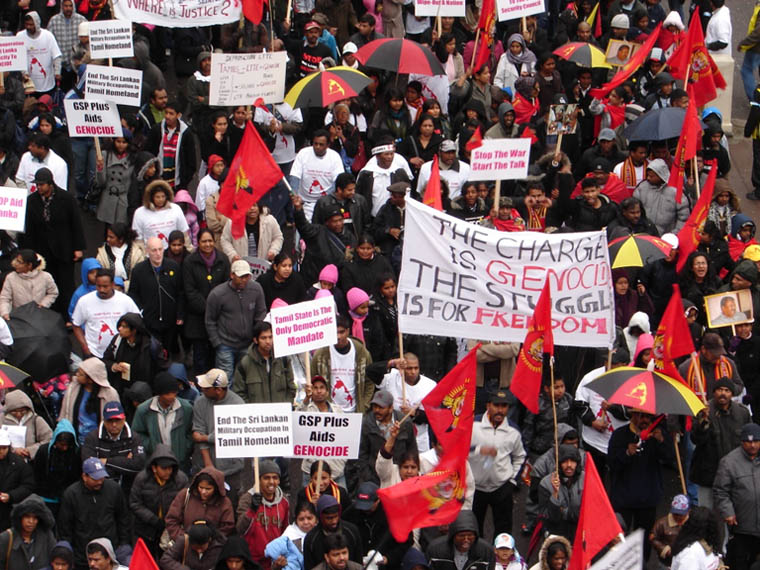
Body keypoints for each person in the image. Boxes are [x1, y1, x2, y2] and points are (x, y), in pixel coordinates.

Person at [18, 167, 85, 317]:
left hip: (63, 248)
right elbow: (28, 229)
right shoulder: (32, 201)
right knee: (45, 284)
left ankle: (68, 315)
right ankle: (49, 315)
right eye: (37, 184)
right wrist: (28, 253)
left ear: (50, 184)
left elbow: (76, 223)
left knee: (65, 284)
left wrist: (78, 248)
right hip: (42, 250)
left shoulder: (67, 199)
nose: (38, 187)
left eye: (42, 184)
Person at [608, 409, 673, 558]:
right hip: (623, 498)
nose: (646, 420)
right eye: (642, 416)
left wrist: (662, 441)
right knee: (619, 539)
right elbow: (612, 464)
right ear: (633, 416)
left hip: (647, 498)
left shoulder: (658, 435)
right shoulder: (619, 435)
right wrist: (626, 454)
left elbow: (670, 460)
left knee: (644, 542)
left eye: (649, 417)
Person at [57, 458, 132, 570]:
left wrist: (124, 543)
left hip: (110, 554)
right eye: (95, 478)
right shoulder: (71, 494)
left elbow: (123, 518)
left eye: (102, 477)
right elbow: (65, 528)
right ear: (84, 476)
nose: (99, 481)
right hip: (82, 557)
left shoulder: (114, 489)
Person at [469, 390, 526, 538]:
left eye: (504, 406)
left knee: (503, 531)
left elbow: (520, 456)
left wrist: (512, 481)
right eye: (496, 405)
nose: (500, 410)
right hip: (475, 487)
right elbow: (459, 450)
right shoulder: (472, 424)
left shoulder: (513, 431)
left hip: (501, 488)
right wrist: (479, 450)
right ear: (488, 405)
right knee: (473, 529)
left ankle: (501, 559)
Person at [205, 260, 268, 378]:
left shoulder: (256, 289)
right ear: (232, 275)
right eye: (241, 276)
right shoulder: (217, 294)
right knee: (225, 379)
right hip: (225, 345)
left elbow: (261, 313)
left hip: (247, 344)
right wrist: (217, 342)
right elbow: (210, 321)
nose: (244, 280)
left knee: (244, 378)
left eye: (247, 276)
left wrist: (256, 334)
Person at [191, 369, 245, 504]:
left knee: (231, 504)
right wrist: (208, 465)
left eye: (206, 388)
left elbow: (231, 434)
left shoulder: (238, 405)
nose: (202, 389)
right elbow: (198, 431)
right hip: (204, 466)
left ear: (218, 390)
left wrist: (206, 438)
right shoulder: (199, 402)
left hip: (231, 468)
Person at [183, 228, 230, 375]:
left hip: (219, 319)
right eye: (204, 241)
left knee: (216, 357)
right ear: (198, 243)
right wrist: (208, 309)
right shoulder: (189, 262)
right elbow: (190, 291)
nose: (207, 244)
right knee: (200, 358)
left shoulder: (223, 259)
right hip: (198, 319)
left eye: (210, 241)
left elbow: (227, 286)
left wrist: (217, 309)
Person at [713, 422, 760, 570]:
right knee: (740, 562)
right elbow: (720, 491)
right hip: (742, 526)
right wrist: (728, 512)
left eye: (756, 441)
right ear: (742, 442)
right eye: (748, 442)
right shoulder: (729, 462)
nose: (752, 445)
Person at [128, 445, 189, 558]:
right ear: (154, 468)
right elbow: (135, 503)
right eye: (164, 468)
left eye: (170, 468)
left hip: (170, 530)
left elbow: (186, 504)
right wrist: (153, 520)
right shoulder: (142, 479)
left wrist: (172, 521)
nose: (168, 471)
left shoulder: (181, 480)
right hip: (146, 529)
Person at [128, 236, 184, 350]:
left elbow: (180, 292)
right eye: (154, 250)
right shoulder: (139, 270)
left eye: (160, 249)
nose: (158, 253)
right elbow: (133, 294)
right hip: (149, 321)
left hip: (170, 320)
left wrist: (180, 314)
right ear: (147, 251)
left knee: (169, 351)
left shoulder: (173, 266)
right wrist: (142, 311)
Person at [131, 372, 194, 472]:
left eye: (174, 393)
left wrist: (184, 447)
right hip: (154, 463)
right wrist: (151, 445)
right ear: (159, 394)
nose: (171, 396)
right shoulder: (144, 410)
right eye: (167, 394)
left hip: (180, 463)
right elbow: (137, 434)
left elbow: (191, 432)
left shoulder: (186, 408)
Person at [71, 269, 140, 359]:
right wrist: (85, 347)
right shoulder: (84, 301)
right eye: (98, 286)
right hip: (93, 353)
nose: (101, 290)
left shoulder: (125, 300)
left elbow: (138, 322)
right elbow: (76, 325)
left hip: (119, 353)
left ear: (112, 284)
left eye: (105, 286)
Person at [81, 401, 146, 493]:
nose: (114, 424)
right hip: (100, 491)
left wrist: (106, 461)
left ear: (124, 419)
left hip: (128, 491)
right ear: (104, 420)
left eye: (117, 420)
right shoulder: (92, 438)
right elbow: (90, 468)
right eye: (110, 421)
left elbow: (139, 466)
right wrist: (124, 463)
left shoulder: (134, 438)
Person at [357, 390, 417, 488]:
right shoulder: (366, 424)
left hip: (400, 478)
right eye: (374, 406)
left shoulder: (405, 422)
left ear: (390, 408)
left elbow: (412, 449)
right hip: (375, 479)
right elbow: (362, 455)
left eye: (381, 407)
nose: (377, 410)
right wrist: (370, 480)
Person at [236, 460, 290, 569]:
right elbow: (240, 529)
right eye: (266, 478)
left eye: (275, 478)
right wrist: (252, 510)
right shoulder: (247, 499)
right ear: (259, 479)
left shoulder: (284, 500)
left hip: (275, 560)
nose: (271, 482)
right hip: (253, 560)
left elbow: (285, 530)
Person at [379, 353, 436, 452]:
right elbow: (370, 371)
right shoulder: (392, 378)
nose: (413, 372)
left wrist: (414, 413)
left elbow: (434, 417)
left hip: (419, 441)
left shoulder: (430, 386)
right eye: (409, 368)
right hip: (394, 438)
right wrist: (392, 363)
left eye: (416, 368)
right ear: (402, 368)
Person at [102, 312, 168, 395]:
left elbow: (161, 368)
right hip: (122, 388)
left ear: (134, 330)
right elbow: (105, 360)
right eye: (120, 326)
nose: (120, 329)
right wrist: (114, 366)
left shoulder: (151, 345)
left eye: (124, 327)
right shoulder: (117, 341)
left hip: (143, 390)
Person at [59, 358, 120, 445]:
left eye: (81, 374)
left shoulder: (110, 394)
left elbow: (116, 421)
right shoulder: (73, 388)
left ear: (91, 379)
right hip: (76, 441)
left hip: (98, 443)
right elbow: (64, 413)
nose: (76, 375)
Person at [233, 321, 295, 405]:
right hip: (257, 416)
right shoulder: (245, 364)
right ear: (255, 340)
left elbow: (291, 388)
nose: (268, 341)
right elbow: (239, 393)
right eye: (263, 338)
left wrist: (286, 406)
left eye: (270, 337)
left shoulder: (284, 360)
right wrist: (250, 411)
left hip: (281, 415)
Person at [165, 466, 235, 540]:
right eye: (201, 487)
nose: (203, 492)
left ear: (216, 488)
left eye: (208, 489)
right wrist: (184, 539)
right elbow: (171, 520)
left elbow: (227, 526)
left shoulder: (224, 503)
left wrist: (210, 541)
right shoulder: (185, 495)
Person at [289, 130, 345, 219]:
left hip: (326, 203)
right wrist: (294, 194)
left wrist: (325, 199)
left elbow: (338, 181)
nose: (317, 147)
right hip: (305, 203)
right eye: (315, 144)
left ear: (327, 145)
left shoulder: (334, 157)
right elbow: (295, 176)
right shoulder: (303, 153)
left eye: (321, 144)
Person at [144, 101, 197, 191]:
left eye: (171, 114)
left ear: (178, 115)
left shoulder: (186, 133)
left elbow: (191, 160)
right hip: (157, 180)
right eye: (166, 113)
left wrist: (184, 181)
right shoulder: (156, 130)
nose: (167, 116)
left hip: (177, 184)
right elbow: (148, 152)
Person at [33, 420, 80, 515]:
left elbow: (77, 476)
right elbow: (37, 475)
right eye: (62, 445)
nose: (65, 448)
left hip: (68, 498)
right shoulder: (44, 451)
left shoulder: (76, 453)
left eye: (68, 445)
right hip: (46, 497)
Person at [302, 495, 363, 569]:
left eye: (336, 516)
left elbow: (358, 561)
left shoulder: (352, 531)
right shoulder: (311, 539)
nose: (334, 521)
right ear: (320, 517)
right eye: (329, 518)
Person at [538, 444, 583, 541]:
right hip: (557, 535)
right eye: (565, 461)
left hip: (580, 533)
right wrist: (555, 493)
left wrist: (564, 511)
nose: (569, 465)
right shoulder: (545, 483)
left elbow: (587, 512)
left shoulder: (586, 479)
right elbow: (550, 517)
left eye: (573, 461)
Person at [0, 493, 57, 569]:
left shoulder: (47, 536)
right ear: (20, 517)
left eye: (35, 518)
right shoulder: (6, 538)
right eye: (27, 516)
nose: (31, 521)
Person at [633, 158, 689, 235]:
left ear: (661, 175)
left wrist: (674, 234)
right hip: (645, 235)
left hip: (667, 237)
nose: (648, 178)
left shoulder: (676, 191)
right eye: (648, 175)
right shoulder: (641, 188)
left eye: (652, 176)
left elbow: (683, 217)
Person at [131, 180, 190, 249]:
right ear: (151, 197)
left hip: (173, 252)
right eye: (157, 197)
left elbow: (184, 233)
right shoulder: (140, 213)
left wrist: (188, 249)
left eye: (163, 196)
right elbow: (138, 240)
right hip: (150, 254)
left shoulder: (175, 209)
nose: (160, 199)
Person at [425, 510, 495, 569]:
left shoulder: (486, 551)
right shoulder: (435, 550)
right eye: (461, 536)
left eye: (470, 535)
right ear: (453, 536)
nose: (466, 539)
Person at [0, 249, 58, 319]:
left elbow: (53, 293)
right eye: (16, 260)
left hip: (40, 316)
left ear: (29, 265)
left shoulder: (45, 276)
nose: (15, 263)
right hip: (19, 317)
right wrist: (5, 313)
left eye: (19, 262)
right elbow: (5, 298)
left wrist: (43, 304)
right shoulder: (11, 277)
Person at [16, 12, 61, 95]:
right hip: (29, 84)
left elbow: (56, 56)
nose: (28, 27)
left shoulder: (48, 36)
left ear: (37, 24)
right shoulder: (20, 36)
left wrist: (57, 72)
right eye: (27, 24)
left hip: (47, 83)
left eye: (31, 24)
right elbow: (18, 58)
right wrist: (23, 73)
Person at [1, 388, 52, 460]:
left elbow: (49, 439)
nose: (18, 414)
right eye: (14, 411)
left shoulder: (36, 420)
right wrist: (13, 450)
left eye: (22, 411)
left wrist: (30, 450)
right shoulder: (2, 420)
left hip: (31, 462)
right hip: (7, 463)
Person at [95, 223, 146, 291]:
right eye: (107, 236)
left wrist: (123, 286)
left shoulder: (136, 253)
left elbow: (139, 276)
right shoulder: (102, 254)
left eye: (111, 237)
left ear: (121, 239)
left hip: (132, 290)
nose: (108, 239)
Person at [160, 520, 225, 570]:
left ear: (209, 540)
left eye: (202, 548)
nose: (199, 551)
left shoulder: (218, 546)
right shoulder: (184, 540)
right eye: (196, 548)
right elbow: (165, 560)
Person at [650, 494, 690, 567]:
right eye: (675, 514)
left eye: (681, 514)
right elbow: (653, 538)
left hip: (687, 561)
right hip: (667, 563)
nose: (678, 517)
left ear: (688, 512)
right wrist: (665, 549)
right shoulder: (662, 523)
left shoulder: (692, 522)